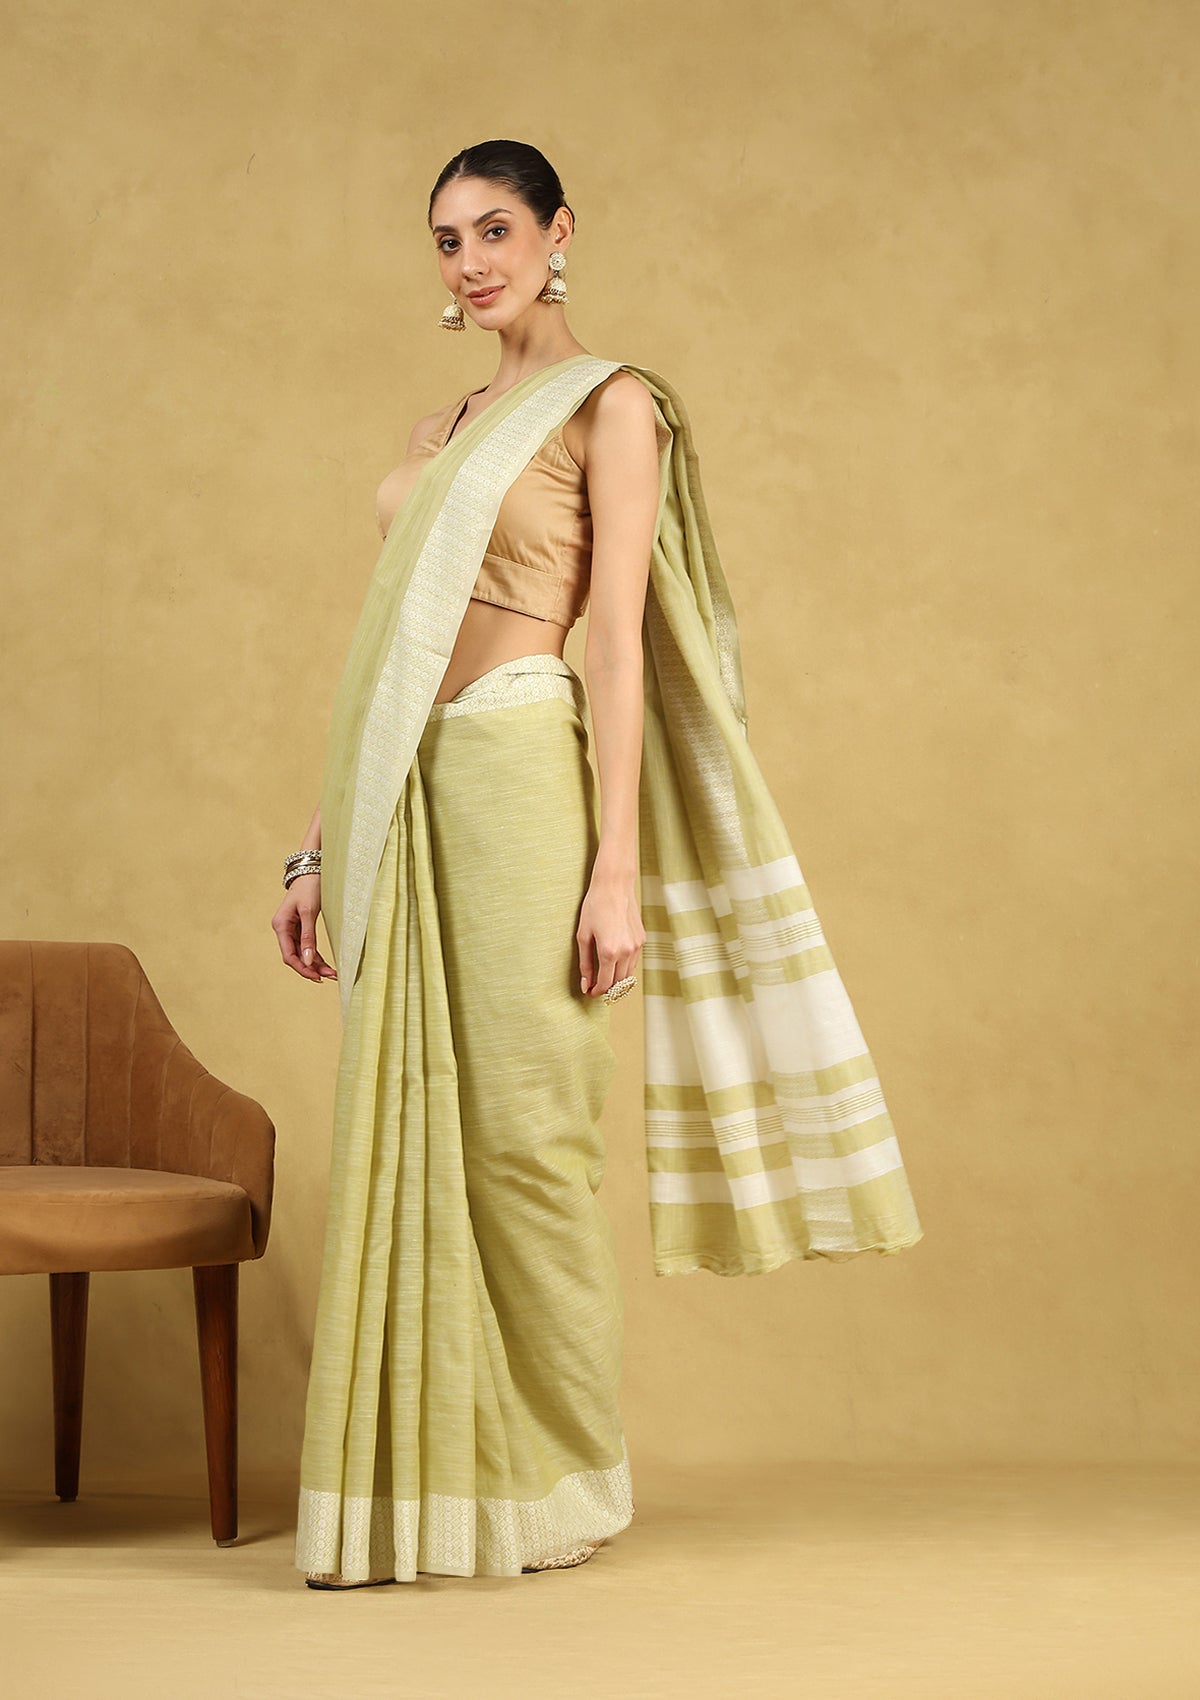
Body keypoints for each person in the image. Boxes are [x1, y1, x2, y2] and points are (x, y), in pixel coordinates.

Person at [273, 140, 923, 1590]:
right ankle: (433, 1487)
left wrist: (613, 869)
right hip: (398, 786)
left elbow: (618, 640)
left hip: (517, 769)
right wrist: (317, 843)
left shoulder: (611, 404)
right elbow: (384, 656)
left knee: (529, 1134)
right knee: (413, 1123)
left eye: (495, 230)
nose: (471, 262)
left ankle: (560, 1477)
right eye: (448, 240)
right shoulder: (444, 424)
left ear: (560, 232)